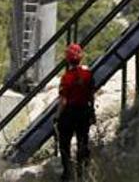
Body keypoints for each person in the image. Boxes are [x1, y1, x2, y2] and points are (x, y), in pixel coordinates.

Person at [55, 43, 96, 181]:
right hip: (84, 111)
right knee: (82, 141)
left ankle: (67, 173)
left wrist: (57, 116)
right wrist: (92, 112)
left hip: (69, 113)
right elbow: (91, 95)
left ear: (68, 59)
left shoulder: (66, 77)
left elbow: (63, 100)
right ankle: (82, 173)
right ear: (81, 58)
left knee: (64, 143)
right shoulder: (88, 75)